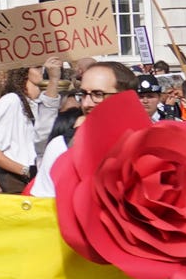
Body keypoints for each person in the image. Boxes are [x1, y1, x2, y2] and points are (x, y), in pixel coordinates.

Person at [29, 61, 137, 196]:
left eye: (98, 94)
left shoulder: (148, 145)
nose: (86, 103)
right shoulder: (61, 147)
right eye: (84, 94)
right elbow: (43, 208)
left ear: (125, 98)